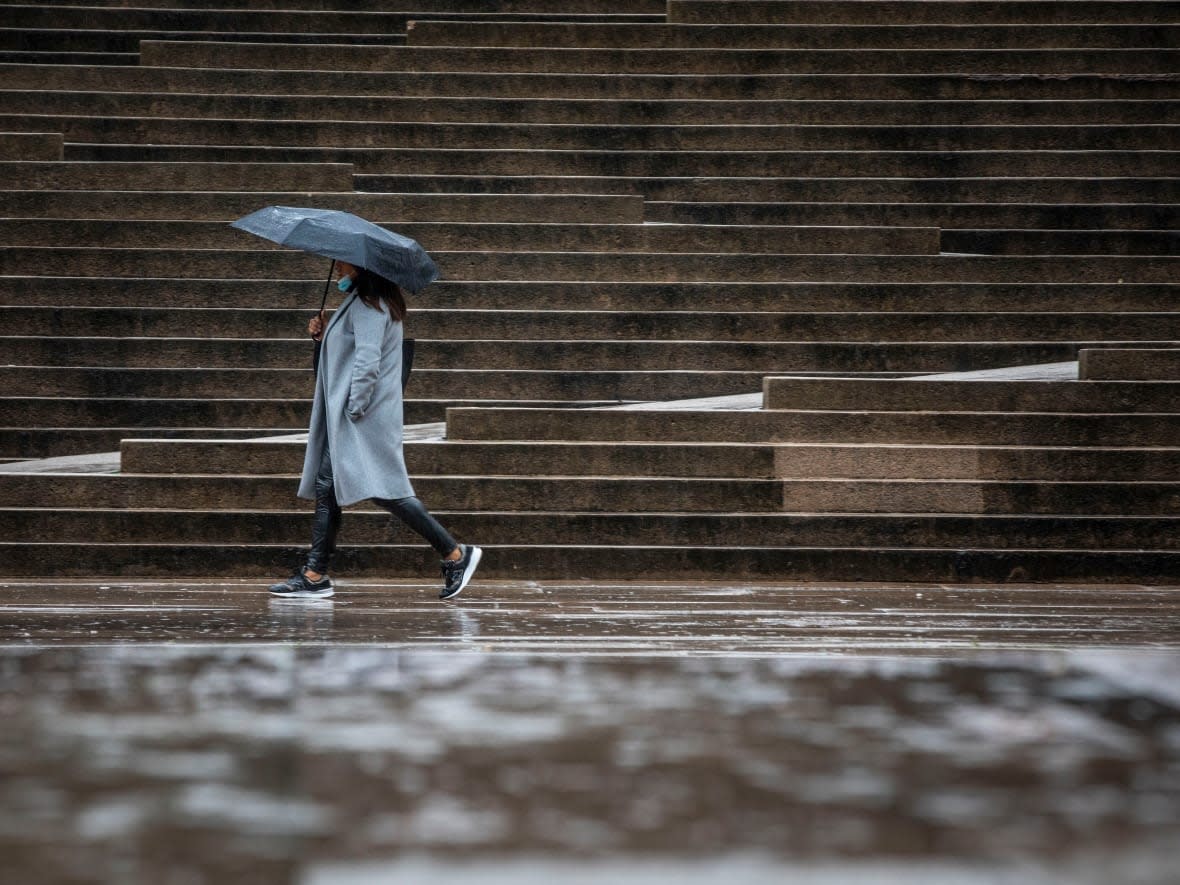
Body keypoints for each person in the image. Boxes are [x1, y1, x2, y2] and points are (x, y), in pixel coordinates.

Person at [268, 260, 481, 600]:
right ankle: (315, 573)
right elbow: (348, 357)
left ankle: (455, 554)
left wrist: (353, 409)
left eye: (342, 263)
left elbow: (367, 363)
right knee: (331, 487)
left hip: (361, 417)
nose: (337, 267)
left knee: (385, 491)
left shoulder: (370, 305)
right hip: (360, 415)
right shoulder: (362, 302)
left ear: (361, 267)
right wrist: (322, 338)